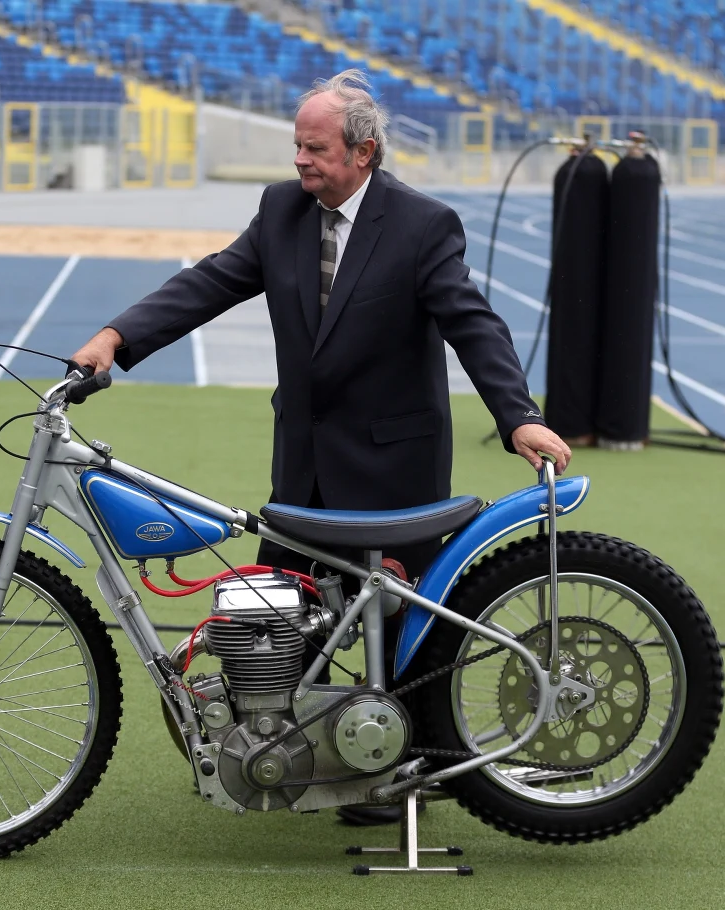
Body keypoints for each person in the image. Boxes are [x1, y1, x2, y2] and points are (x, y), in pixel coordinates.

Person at [71, 69, 570, 822]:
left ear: (363, 152)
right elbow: (210, 283)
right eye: (297, 146)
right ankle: (285, 750)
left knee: (399, 631)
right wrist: (119, 335)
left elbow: (473, 323)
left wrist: (517, 417)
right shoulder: (281, 211)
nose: (301, 161)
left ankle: (406, 776)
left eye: (315, 147)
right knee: (281, 618)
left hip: (392, 463)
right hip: (303, 468)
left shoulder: (421, 224)